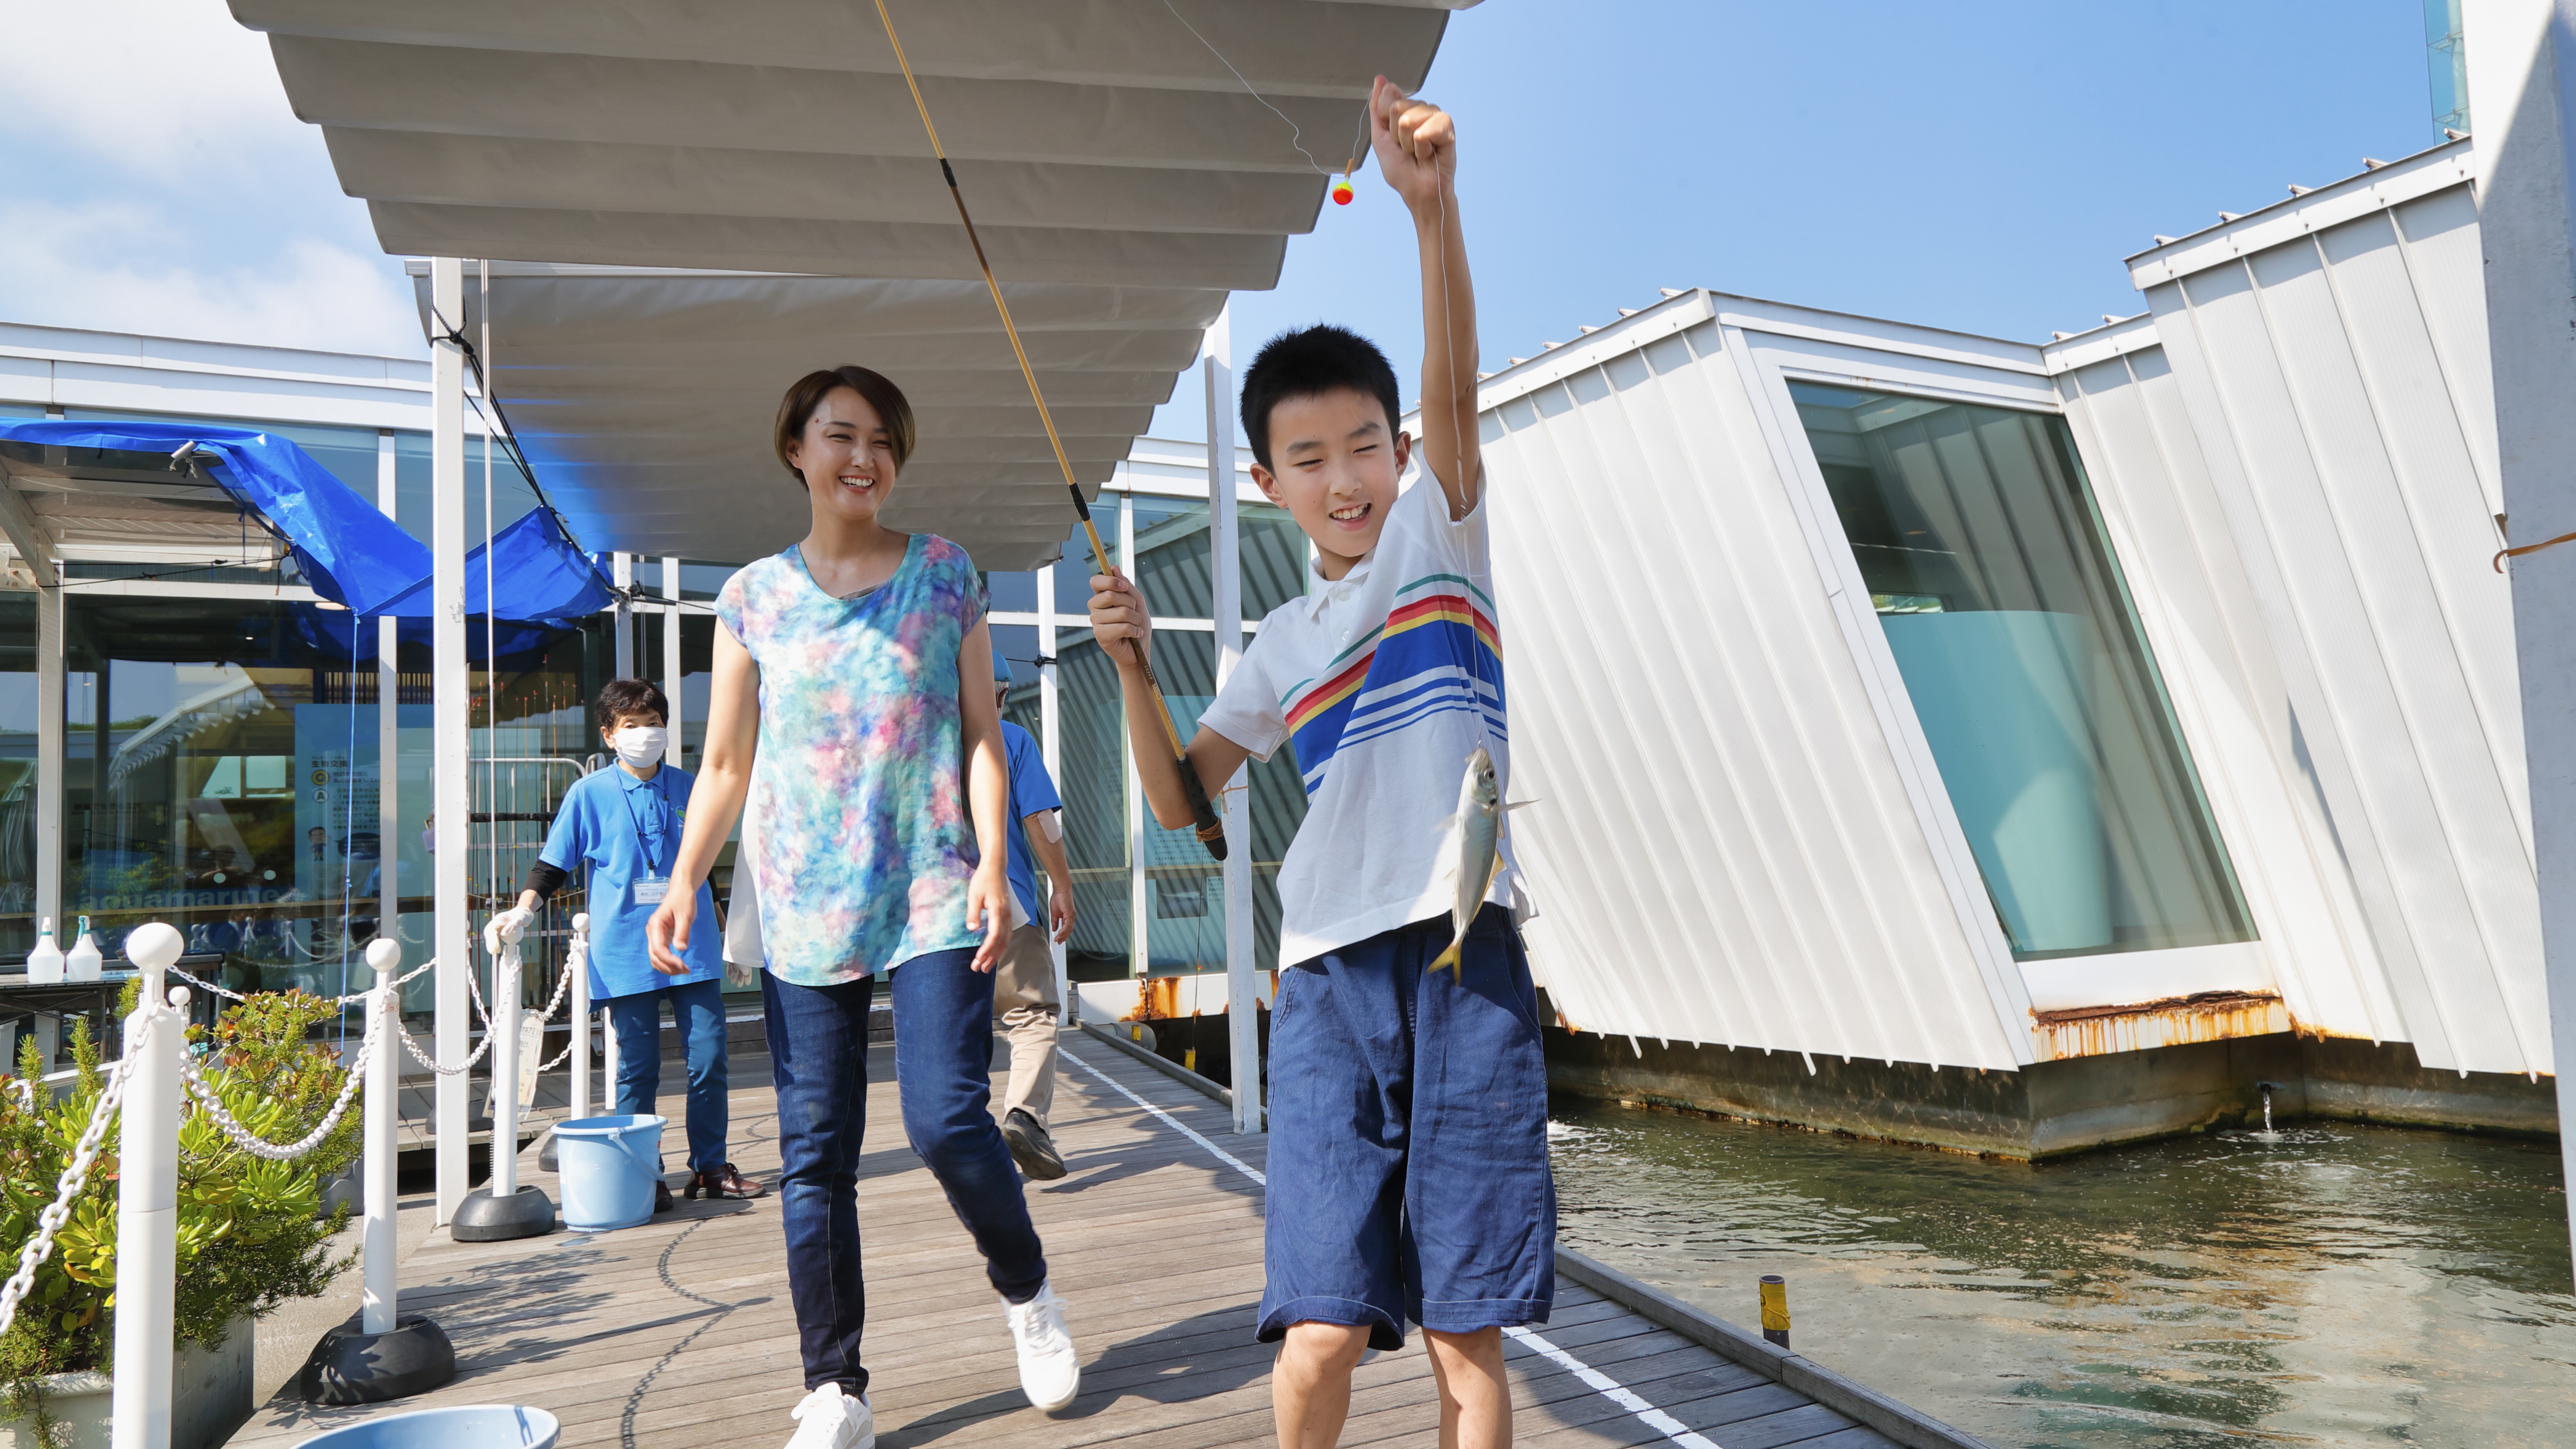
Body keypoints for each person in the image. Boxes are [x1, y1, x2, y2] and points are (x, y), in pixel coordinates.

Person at [1087, 82, 1544, 1449]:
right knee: (1320, 1330)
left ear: (1401, 456)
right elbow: (1181, 798)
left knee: (1465, 1330)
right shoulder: (1275, 645)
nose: (1342, 477)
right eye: (1307, 458)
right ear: (1266, 483)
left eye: (1362, 448)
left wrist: (1431, 213)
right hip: (1329, 980)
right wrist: (1129, 668)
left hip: (1465, 957)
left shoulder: (1439, 539)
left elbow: (1452, 386)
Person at [648, 365, 1080, 1449]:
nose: (864, 457)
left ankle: (1026, 1285)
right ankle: (834, 1384)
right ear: (795, 447)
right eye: (841, 435)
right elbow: (724, 764)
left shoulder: (943, 573)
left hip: (935, 880)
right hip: (802, 898)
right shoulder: (751, 597)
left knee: (945, 1117)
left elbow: (983, 734)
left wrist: (995, 860)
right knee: (815, 1153)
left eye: (883, 440)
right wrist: (683, 879)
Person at [496, 679, 763, 1212]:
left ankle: (710, 1166)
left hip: (691, 944)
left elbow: (704, 866)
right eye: (632, 725)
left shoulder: (692, 786)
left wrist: (730, 935)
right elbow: (552, 865)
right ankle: (644, 1173)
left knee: (709, 1055)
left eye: (654, 723)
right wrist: (523, 909)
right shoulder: (589, 793)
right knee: (637, 1067)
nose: (645, 733)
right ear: (610, 735)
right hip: (624, 948)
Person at [989, 656, 1078, 1180]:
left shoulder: (921, 739)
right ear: (1000, 694)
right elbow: (1039, 817)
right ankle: (1024, 1114)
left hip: (933, 912)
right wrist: (1062, 885)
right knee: (1032, 1013)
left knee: (958, 1031)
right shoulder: (1011, 739)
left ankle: (963, 1137)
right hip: (1006, 903)